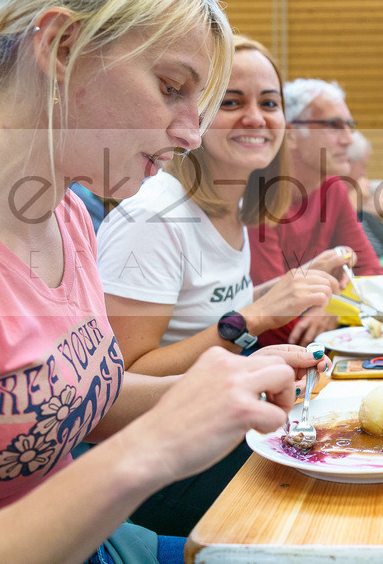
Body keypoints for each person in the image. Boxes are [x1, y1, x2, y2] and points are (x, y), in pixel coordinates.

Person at [0, 0, 324, 562]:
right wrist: (151, 450)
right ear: (63, 46)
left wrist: (223, 386)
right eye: (171, 89)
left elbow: (60, 401)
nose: (191, 133)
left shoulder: (68, 211)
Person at [95, 36, 343, 535]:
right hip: (154, 470)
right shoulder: (155, 216)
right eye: (232, 102)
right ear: (196, 116)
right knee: (334, 498)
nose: (256, 117)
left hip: (210, 434)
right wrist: (253, 320)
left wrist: (281, 291)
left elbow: (204, 310)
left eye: (268, 102)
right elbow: (117, 382)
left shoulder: (231, 208)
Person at [248, 78, 383, 346]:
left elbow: (372, 274)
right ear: (291, 135)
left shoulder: (332, 188)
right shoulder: (260, 195)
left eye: (349, 126)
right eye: (334, 126)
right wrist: (345, 306)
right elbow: (272, 317)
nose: (348, 139)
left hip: (318, 348)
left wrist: (334, 309)